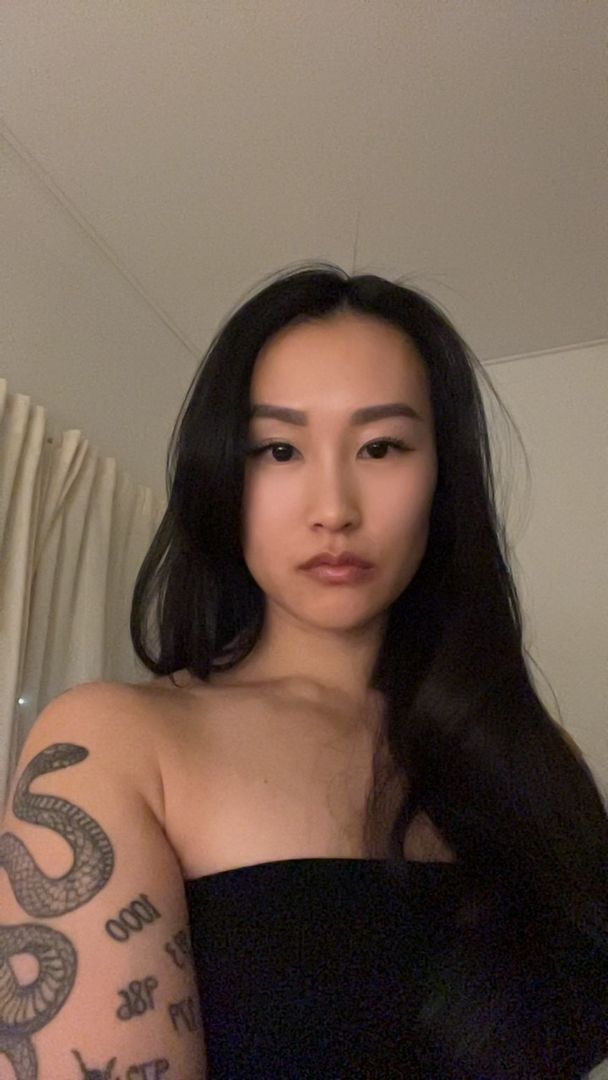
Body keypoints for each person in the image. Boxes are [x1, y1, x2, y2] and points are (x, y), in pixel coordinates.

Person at [1, 264, 606, 1078]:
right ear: (225, 476)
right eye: (280, 449)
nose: (334, 508)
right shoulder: (117, 740)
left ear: (442, 478)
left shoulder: (535, 758)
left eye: (381, 446)